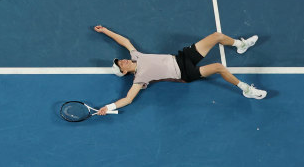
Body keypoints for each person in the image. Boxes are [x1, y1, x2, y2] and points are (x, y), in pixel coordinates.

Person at [93, 25, 267, 115]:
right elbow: (128, 99)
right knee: (219, 67)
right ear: (124, 72)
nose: (122, 61)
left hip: (181, 58)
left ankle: (241, 45)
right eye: (120, 64)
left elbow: (123, 41)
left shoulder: (136, 55)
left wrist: (105, 31)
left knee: (217, 36)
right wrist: (108, 107)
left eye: (119, 60)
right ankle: (246, 90)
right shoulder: (139, 78)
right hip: (184, 73)